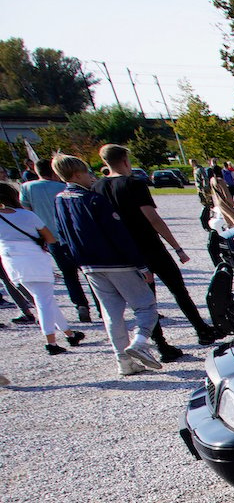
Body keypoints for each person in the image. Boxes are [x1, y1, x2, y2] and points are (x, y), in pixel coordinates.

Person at [100, 144, 216, 354]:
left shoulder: (97, 187)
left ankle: (160, 344)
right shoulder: (133, 184)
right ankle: (202, 330)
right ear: (125, 160)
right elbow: (153, 218)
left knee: (146, 301)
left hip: (126, 253)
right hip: (150, 246)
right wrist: (177, 247)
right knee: (178, 290)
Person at [51, 153, 161, 377]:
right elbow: (118, 234)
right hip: (116, 261)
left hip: (89, 264)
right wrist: (140, 264)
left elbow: (62, 234)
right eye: (86, 172)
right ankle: (140, 342)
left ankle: (123, 361)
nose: (90, 177)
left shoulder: (60, 200)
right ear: (77, 174)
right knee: (145, 305)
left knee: (111, 313)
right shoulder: (93, 200)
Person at [0, 181, 85, 356]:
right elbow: (50, 238)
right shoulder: (27, 215)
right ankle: (51, 342)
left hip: (11, 261)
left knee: (45, 299)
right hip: (34, 259)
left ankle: (70, 334)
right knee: (43, 300)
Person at [22, 159, 92, 322]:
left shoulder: (27, 187)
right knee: (88, 271)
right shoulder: (63, 187)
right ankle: (101, 306)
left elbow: (27, 212)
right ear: (54, 172)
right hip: (73, 236)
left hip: (50, 237)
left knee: (69, 275)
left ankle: (81, 305)